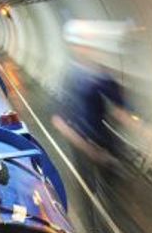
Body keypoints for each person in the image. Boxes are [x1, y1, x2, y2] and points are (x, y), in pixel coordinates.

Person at [51, 19, 132, 169]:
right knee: (89, 184)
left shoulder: (101, 74)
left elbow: (119, 109)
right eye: (82, 45)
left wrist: (148, 132)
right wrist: (89, 151)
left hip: (103, 140)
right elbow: (59, 121)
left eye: (89, 45)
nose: (87, 49)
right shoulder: (69, 77)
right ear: (74, 47)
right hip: (82, 144)